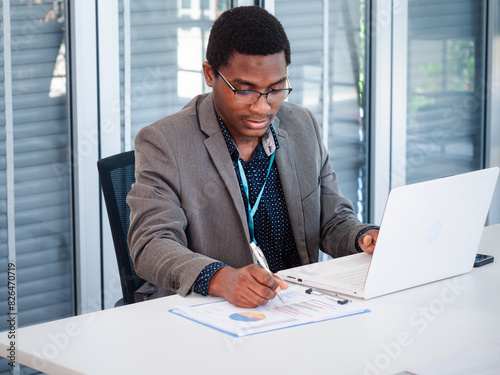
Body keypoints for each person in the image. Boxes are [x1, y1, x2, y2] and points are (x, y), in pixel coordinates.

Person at [127, 6, 379, 308]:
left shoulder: (302, 125)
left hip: (297, 307)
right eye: (245, 90)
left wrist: (362, 237)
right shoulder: (166, 142)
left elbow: (333, 221)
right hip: (211, 313)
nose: (262, 108)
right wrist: (222, 279)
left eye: (275, 89)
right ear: (210, 74)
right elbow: (151, 245)